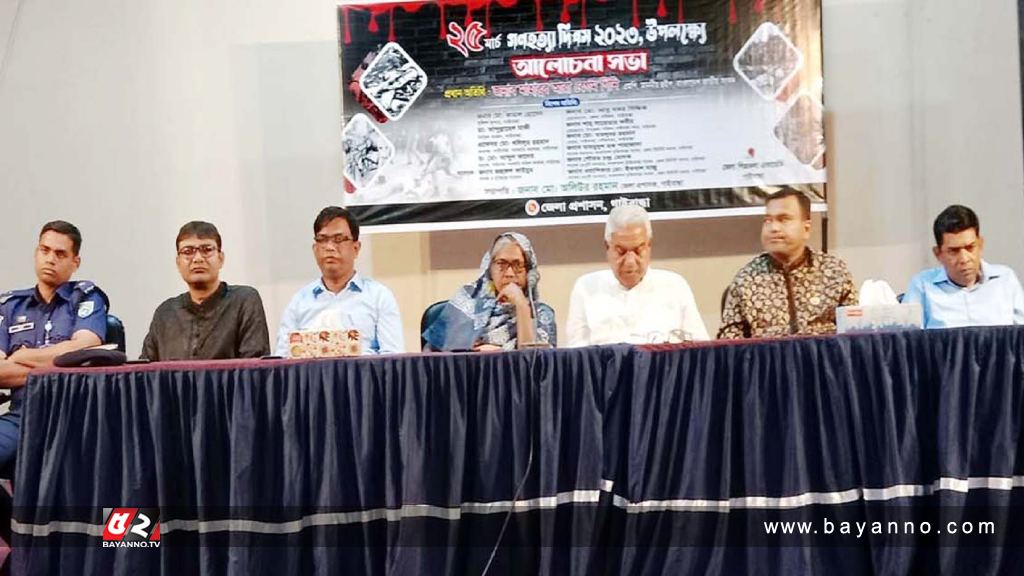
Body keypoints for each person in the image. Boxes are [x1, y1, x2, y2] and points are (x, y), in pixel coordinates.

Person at [0, 221, 109, 471]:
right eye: (45, 250)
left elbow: (83, 348)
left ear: (75, 262)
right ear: (36, 253)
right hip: (22, 416)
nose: (50, 259)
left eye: (60, 254)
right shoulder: (10, 306)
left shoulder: (86, 297)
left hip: (72, 418)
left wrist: (22, 356)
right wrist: (55, 365)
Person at [718, 189, 857, 338]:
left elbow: (856, 333)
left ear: (806, 229)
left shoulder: (834, 272)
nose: (774, 228)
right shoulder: (746, 279)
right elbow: (728, 343)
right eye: (768, 220)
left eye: (784, 219)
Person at [565, 205, 708, 346]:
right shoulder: (586, 288)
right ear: (607, 247)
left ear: (649, 245)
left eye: (638, 250)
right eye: (621, 251)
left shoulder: (675, 286)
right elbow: (576, 354)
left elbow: (700, 348)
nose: (630, 262)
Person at [275, 206, 404, 355]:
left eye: (338, 239)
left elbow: (393, 358)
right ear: (315, 249)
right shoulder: (299, 302)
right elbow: (282, 359)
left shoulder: (379, 297)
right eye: (323, 240)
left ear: (356, 248)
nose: (330, 247)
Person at [141, 221, 270, 361]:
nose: (198, 259)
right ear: (178, 262)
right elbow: (145, 369)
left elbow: (254, 367)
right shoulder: (165, 313)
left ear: (221, 258)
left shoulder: (244, 301)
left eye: (207, 250)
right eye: (188, 252)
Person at [423, 232, 555, 351]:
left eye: (518, 265)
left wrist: (522, 306)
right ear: (489, 269)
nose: (509, 273)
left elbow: (534, 362)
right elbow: (433, 356)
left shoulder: (541, 314)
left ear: (529, 272)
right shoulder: (467, 304)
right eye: (501, 264)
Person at [903, 204, 1024, 328]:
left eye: (970, 247)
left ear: (981, 244)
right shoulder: (922, 286)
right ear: (938, 254)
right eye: (954, 251)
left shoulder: (1005, 280)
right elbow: (907, 336)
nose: (964, 259)